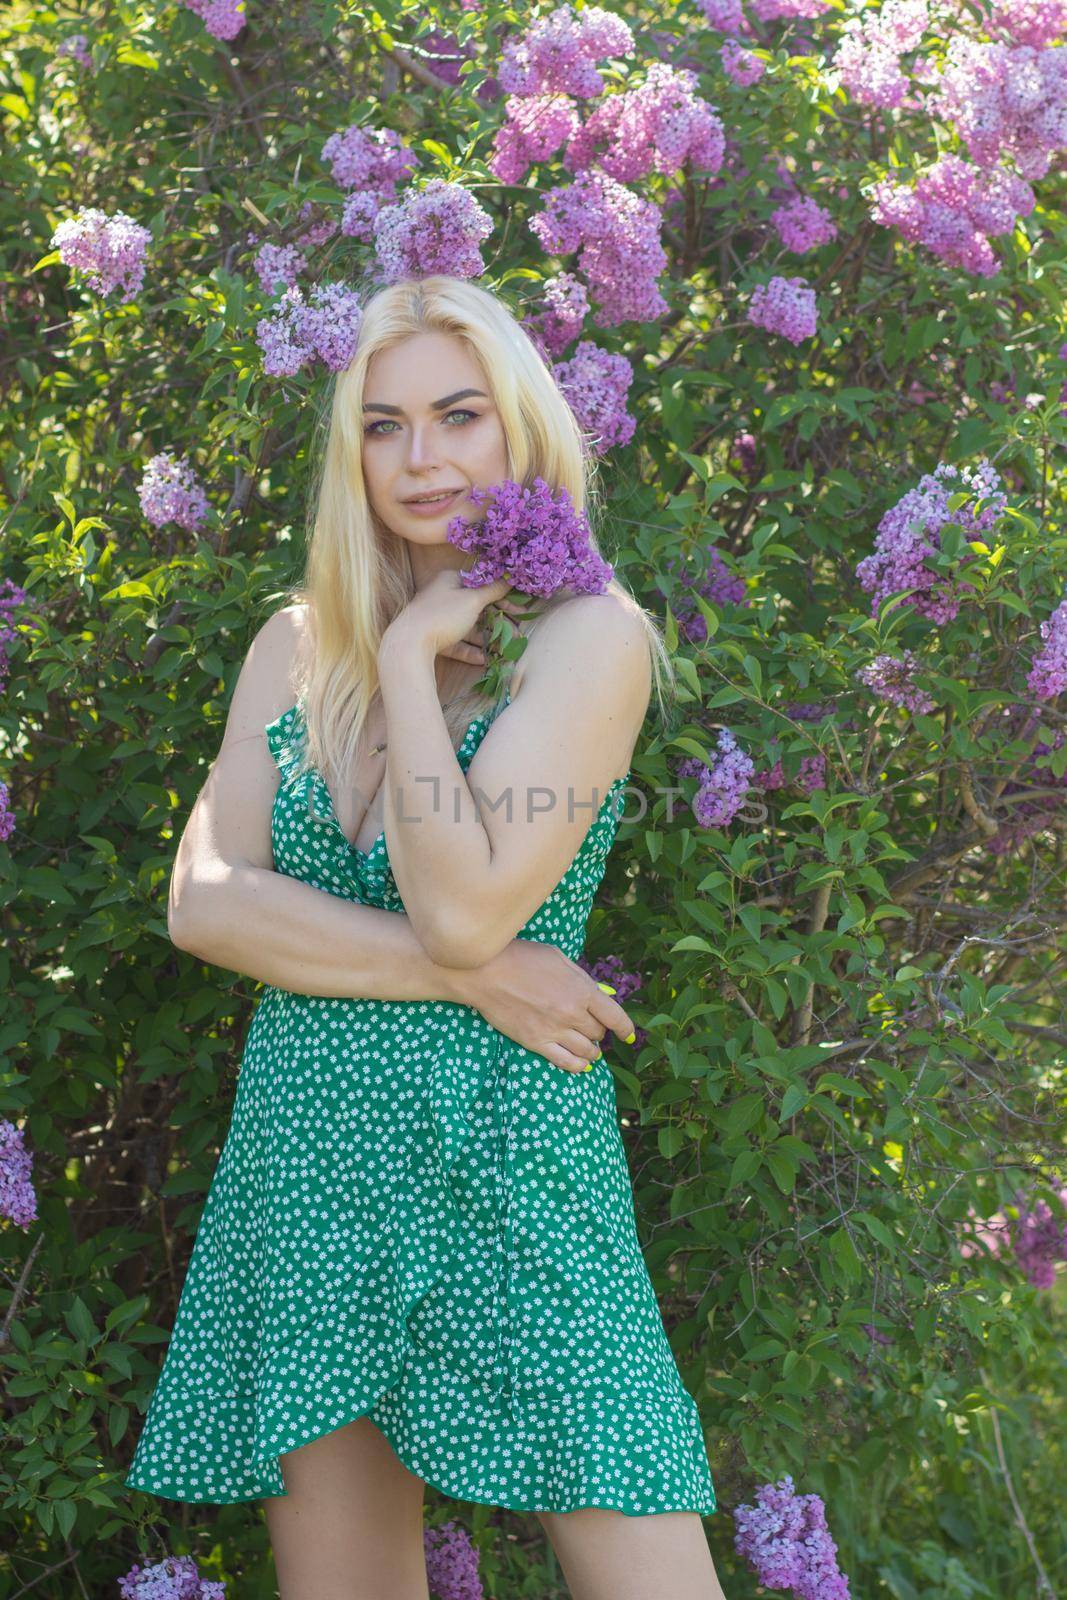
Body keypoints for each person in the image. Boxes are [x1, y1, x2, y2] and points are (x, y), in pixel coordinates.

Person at [125, 275, 727, 1600]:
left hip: (508, 1148)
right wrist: (484, 982)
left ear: (518, 429)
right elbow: (204, 900)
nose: (422, 458)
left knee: (644, 1558)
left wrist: (408, 666)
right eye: (383, 427)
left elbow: (462, 908)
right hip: (314, 1144)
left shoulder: (584, 638)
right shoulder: (293, 644)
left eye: (458, 416)